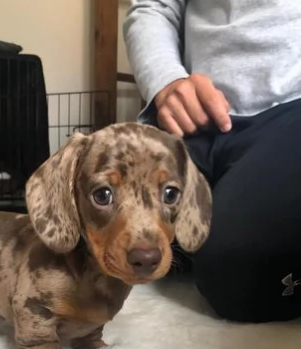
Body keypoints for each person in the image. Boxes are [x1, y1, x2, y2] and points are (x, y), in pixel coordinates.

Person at [123, 0, 301, 323]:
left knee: (238, 275)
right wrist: (166, 82)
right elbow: (153, 7)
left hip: (292, 108)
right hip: (193, 116)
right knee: (84, 241)